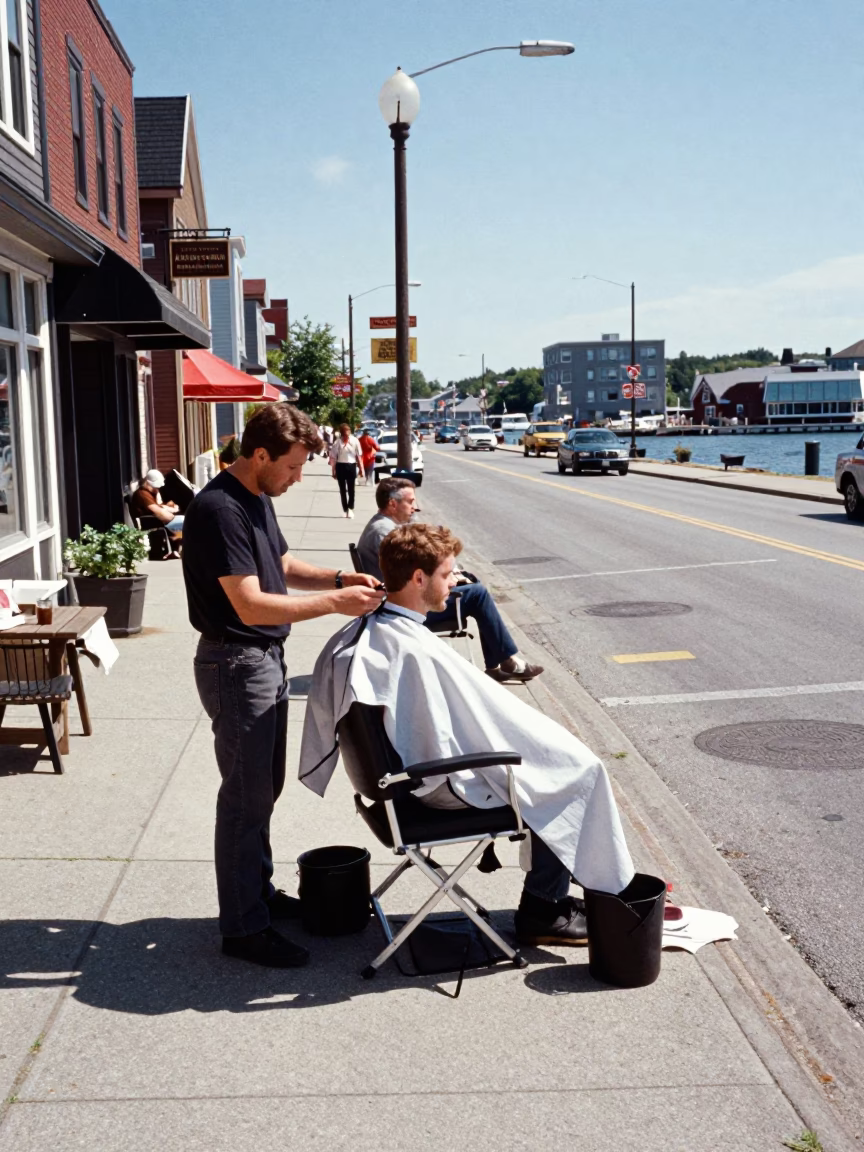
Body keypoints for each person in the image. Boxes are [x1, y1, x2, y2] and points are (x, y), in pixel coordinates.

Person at [300, 523, 634, 946]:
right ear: (419, 579)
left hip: (394, 786)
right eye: (448, 573)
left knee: (550, 765)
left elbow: (438, 723)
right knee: (570, 774)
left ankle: (555, 897)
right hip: (432, 787)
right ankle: (543, 911)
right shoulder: (410, 648)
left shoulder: (376, 633)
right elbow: (439, 735)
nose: (456, 581)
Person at [182, 403, 386, 969]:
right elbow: (248, 602)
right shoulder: (219, 509)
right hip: (235, 661)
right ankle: (243, 928)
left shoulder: (255, 498)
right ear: (261, 454)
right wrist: (335, 603)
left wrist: (342, 576)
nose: (298, 479)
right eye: (293, 468)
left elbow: (283, 562)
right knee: (245, 799)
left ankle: (260, 896)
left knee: (261, 790)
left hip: (260, 658)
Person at [356, 477, 543, 682]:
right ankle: (506, 661)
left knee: (473, 585)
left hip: (396, 602)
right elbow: (416, 573)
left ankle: (500, 662)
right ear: (393, 503)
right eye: (410, 502)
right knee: (478, 593)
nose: (415, 507)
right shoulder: (386, 532)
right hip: (403, 609)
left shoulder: (381, 526)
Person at [131, 470, 184, 556]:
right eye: (155, 487)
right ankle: (175, 549)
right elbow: (157, 511)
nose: (157, 490)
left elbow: (157, 506)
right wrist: (172, 515)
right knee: (181, 523)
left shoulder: (149, 492)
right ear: (148, 484)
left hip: (153, 519)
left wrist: (168, 507)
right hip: (148, 521)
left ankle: (175, 549)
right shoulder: (142, 494)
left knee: (179, 524)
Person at [329, 423, 364, 518]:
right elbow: (333, 458)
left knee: (351, 489)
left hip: (351, 465)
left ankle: (350, 507)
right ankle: (345, 508)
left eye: (347, 432)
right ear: (341, 433)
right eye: (344, 433)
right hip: (340, 466)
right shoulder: (337, 443)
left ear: (350, 432)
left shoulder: (355, 441)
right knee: (342, 489)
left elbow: (359, 455)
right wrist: (333, 471)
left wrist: (361, 469)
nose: (346, 434)